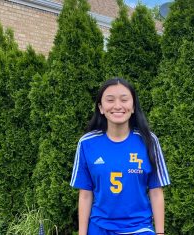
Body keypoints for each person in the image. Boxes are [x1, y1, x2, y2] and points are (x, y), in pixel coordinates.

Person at [70, 77, 170, 235]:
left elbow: (156, 191)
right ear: (101, 108)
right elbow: (85, 194)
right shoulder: (87, 143)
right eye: (110, 100)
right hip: (99, 228)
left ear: (133, 106)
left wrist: (160, 233)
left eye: (124, 99)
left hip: (139, 228)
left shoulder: (149, 141)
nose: (117, 106)